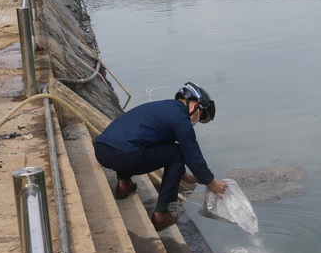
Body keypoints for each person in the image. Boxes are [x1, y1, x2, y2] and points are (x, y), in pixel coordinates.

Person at [94, 82, 228, 230]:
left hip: (102, 150)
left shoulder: (162, 108)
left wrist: (186, 177)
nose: (197, 119)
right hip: (126, 157)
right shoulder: (181, 120)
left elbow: (152, 143)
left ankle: (123, 184)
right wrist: (211, 182)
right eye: (200, 115)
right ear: (194, 106)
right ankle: (161, 213)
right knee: (177, 151)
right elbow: (193, 157)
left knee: (138, 142)